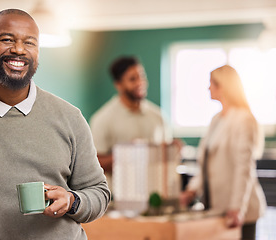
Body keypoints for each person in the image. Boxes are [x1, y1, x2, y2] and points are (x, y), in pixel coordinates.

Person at [0, 9, 110, 240]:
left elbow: (99, 193)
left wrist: (72, 201)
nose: (18, 49)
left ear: (37, 53)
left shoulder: (70, 117)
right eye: (7, 39)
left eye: (30, 42)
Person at [180, 65, 266, 240]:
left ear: (223, 86)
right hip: (216, 208)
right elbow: (207, 165)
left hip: (239, 211)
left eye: (211, 83)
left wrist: (237, 207)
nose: (208, 88)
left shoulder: (244, 119)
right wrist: (191, 190)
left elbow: (244, 167)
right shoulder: (216, 120)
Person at [89, 56, 170, 177]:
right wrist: (129, 154)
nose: (140, 82)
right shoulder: (102, 119)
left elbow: (165, 157)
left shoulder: (158, 116)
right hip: (117, 194)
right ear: (119, 85)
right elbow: (95, 164)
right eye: (133, 79)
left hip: (155, 193)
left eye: (142, 76)